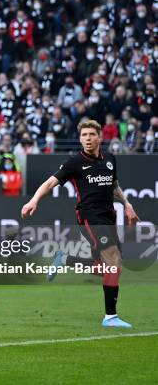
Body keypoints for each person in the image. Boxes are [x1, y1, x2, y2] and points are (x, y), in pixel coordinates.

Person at [21, 119, 139, 328]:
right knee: (113, 259)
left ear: (99, 137)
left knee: (109, 269)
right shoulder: (75, 162)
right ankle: (110, 317)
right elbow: (50, 183)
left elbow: (114, 186)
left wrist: (127, 204)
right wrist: (33, 200)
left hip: (108, 216)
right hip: (89, 217)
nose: (87, 139)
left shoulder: (110, 159)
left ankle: (64, 259)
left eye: (91, 135)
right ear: (80, 139)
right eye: (84, 135)